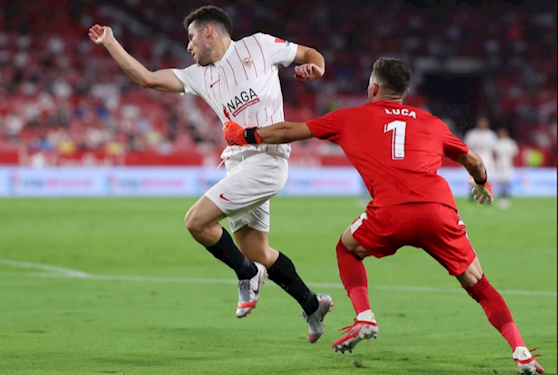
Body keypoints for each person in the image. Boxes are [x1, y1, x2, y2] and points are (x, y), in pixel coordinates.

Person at [221, 57, 544, 375]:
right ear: (404, 91)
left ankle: (364, 316)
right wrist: (482, 183)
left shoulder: (349, 117)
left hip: (390, 211)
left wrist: (245, 135)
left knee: (346, 248)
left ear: (373, 87)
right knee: (479, 285)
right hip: (439, 211)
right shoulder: (432, 122)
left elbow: (289, 130)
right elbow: (473, 160)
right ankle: (522, 353)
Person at [88, 6, 333, 342]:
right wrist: (111, 42)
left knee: (196, 221)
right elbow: (146, 78)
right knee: (257, 250)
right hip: (237, 162)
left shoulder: (259, 46)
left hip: (268, 160)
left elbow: (309, 53)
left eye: (190, 38)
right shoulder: (199, 75)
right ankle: (312, 304)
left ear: (209, 32)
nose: (188, 47)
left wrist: (316, 68)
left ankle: (247, 275)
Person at [464, 116, 498, 203]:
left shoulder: (491, 135)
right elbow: (466, 148)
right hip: (475, 159)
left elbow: (495, 150)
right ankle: (472, 197)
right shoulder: (472, 134)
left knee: (487, 179)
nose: (482, 124)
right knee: (473, 179)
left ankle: (488, 198)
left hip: (488, 160)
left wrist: (495, 162)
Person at [494, 128, 519, 209]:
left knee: (507, 182)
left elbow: (515, 155)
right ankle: (501, 198)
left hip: (508, 164)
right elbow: (494, 154)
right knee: (500, 182)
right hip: (499, 165)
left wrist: (513, 165)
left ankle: (507, 199)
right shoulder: (497, 143)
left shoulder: (511, 143)